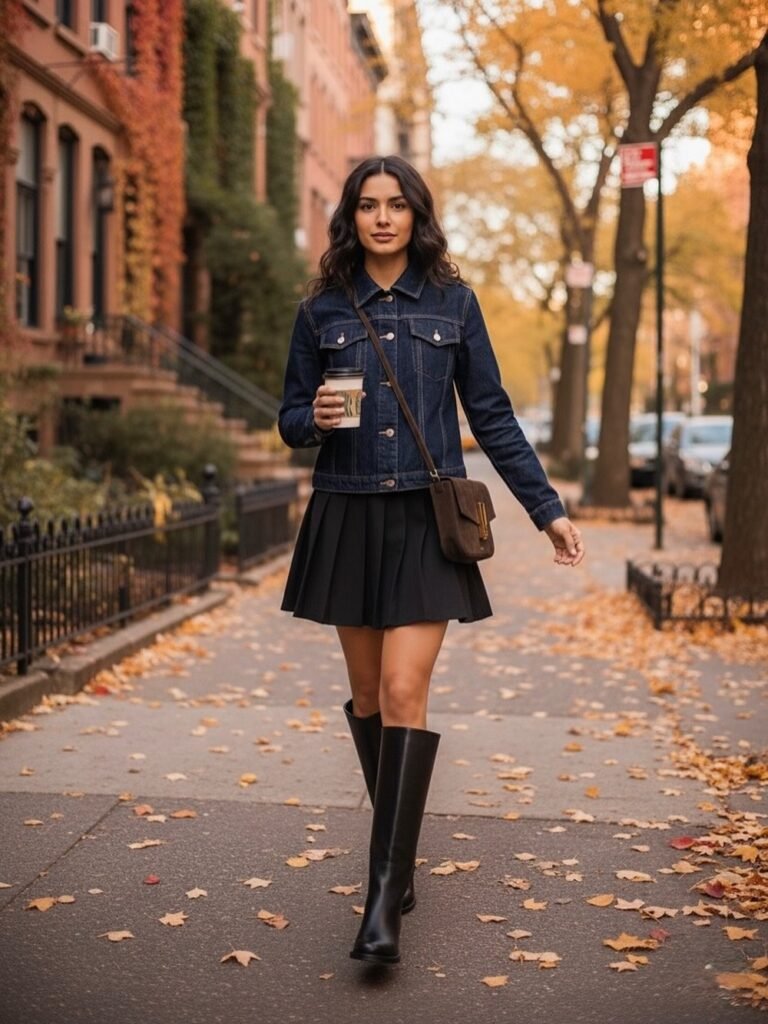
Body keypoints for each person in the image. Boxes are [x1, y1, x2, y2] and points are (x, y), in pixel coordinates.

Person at [278, 155, 584, 967]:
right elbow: (287, 417)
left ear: (417, 214)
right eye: (369, 205)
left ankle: (383, 895)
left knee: (408, 688)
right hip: (345, 512)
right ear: (353, 216)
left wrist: (545, 510)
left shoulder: (453, 302)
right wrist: (308, 414)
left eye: (397, 204)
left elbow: (492, 415)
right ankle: (399, 857)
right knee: (370, 694)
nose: (383, 218)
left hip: (424, 514)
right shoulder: (321, 308)